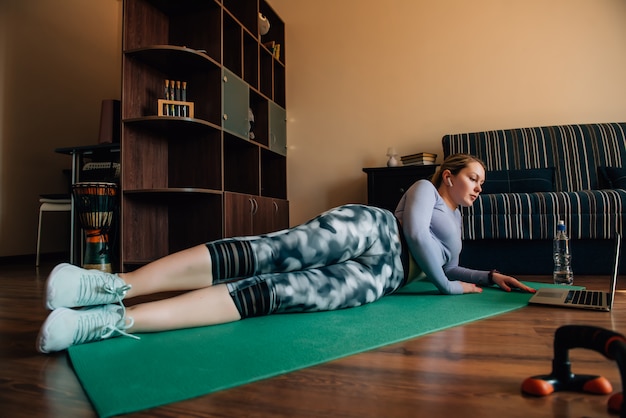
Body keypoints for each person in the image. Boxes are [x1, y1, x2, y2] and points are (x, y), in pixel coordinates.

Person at [37, 153, 536, 353]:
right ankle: (109, 285)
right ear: (449, 174)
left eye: (482, 184)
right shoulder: (426, 191)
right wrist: (448, 285)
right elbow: (420, 238)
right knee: (270, 252)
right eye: (473, 178)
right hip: (375, 233)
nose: (478, 188)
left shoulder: (460, 221)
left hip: (385, 280)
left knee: (273, 293)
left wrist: (489, 276)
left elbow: (446, 264)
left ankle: (106, 322)